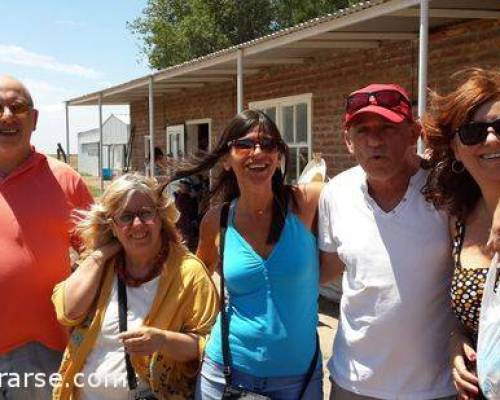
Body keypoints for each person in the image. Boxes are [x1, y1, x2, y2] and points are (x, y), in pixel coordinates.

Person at [172, 109, 324, 399]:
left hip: (298, 381)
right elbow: (199, 282)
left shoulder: (307, 203)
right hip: (226, 375)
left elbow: (363, 189)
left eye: (268, 145)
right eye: (245, 145)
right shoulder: (216, 220)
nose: (258, 152)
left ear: (279, 157)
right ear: (227, 159)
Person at [319, 83, 457, 399]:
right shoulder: (336, 193)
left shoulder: (447, 191)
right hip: (353, 381)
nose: (374, 140)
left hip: (434, 386)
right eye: (362, 130)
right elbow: (325, 270)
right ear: (348, 141)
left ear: (413, 133)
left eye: (387, 128)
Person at [51, 173, 218, 399]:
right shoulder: (102, 265)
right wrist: (101, 255)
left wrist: (163, 341)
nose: (137, 224)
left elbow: (208, 346)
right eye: (126, 217)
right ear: (111, 224)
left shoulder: (189, 273)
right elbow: (68, 312)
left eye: (145, 213)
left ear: (160, 217)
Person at [0, 75, 93, 398]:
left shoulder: (66, 181)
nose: (8, 116)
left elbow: (100, 252)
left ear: (34, 118)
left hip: (42, 351)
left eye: (18, 107)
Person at [422, 68, 500, 400]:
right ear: (455, 148)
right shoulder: (459, 221)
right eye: (473, 132)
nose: (492, 138)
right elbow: (466, 316)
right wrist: (458, 343)